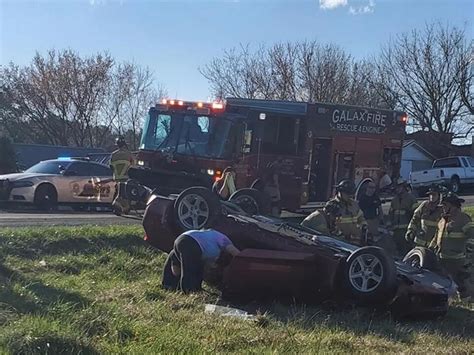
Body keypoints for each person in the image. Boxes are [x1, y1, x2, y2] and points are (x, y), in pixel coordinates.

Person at [162, 229, 240, 293]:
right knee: (192, 269)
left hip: (182, 238)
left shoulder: (210, 236)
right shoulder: (224, 240)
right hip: (193, 243)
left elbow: (176, 269)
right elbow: (234, 251)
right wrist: (242, 259)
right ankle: (190, 291)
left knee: (185, 264)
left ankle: (169, 284)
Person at [429, 193, 474, 298]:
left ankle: (468, 299)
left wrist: (468, 255)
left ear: (453, 206)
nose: (443, 208)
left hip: (457, 260)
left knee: (463, 283)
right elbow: (436, 237)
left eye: (445, 205)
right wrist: (430, 248)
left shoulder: (463, 218)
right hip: (442, 258)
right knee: (444, 281)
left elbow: (472, 235)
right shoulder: (443, 220)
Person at [329, 179, 367, 246]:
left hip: (355, 242)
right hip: (339, 243)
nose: (349, 196)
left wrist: (364, 227)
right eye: (347, 194)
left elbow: (361, 218)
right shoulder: (332, 206)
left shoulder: (354, 204)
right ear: (340, 192)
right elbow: (328, 225)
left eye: (351, 194)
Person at [388, 178, 418, 256]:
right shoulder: (394, 200)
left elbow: (416, 216)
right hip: (396, 231)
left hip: (406, 230)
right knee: (397, 251)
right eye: (396, 187)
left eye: (399, 187)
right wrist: (389, 226)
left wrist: (412, 229)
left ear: (403, 187)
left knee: (407, 251)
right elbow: (390, 214)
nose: (397, 189)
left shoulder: (411, 199)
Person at [110, 136, 134, 214]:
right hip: (126, 178)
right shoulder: (129, 154)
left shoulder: (113, 155)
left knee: (117, 192)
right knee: (126, 194)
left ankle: (116, 209)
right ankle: (126, 209)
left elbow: (111, 166)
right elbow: (133, 166)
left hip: (117, 178)